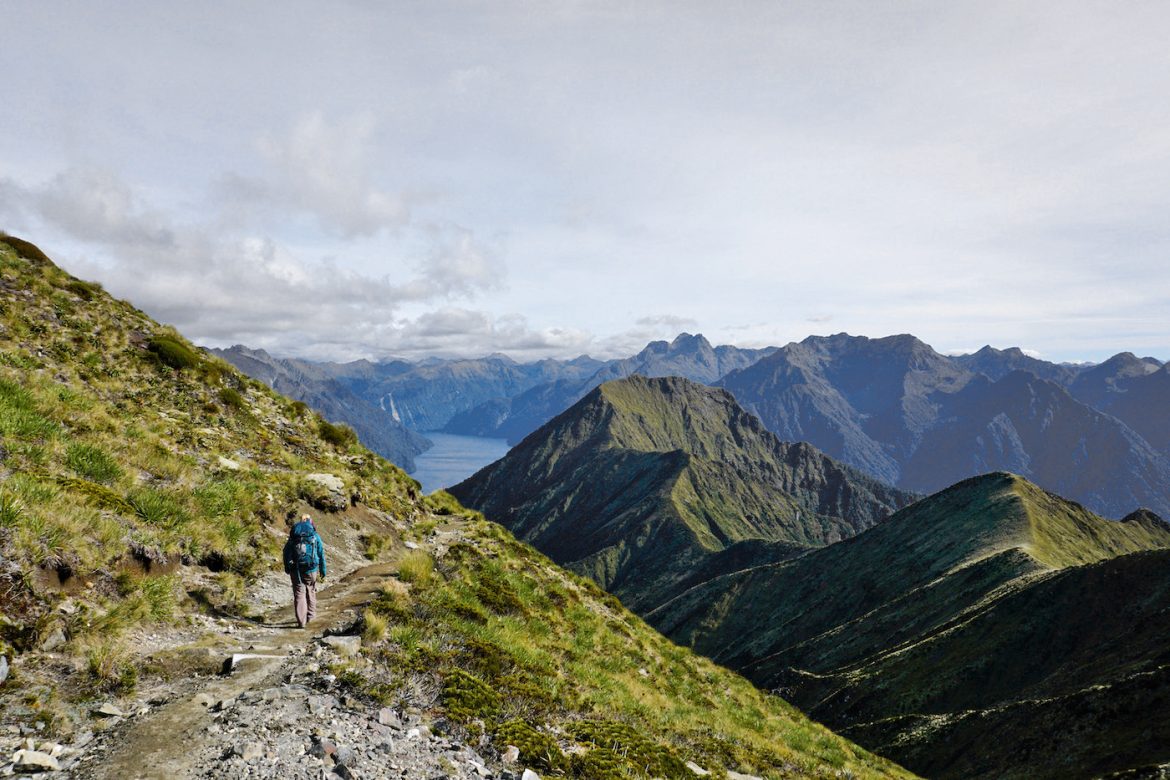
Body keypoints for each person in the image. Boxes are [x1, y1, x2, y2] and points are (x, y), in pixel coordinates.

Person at [283, 513, 326, 628]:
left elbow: (286, 551)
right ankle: (311, 618)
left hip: (295, 569)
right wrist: (323, 569)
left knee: (299, 593)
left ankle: (301, 622)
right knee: (311, 591)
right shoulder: (314, 535)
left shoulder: (294, 536)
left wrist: (287, 567)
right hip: (311, 568)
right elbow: (321, 553)